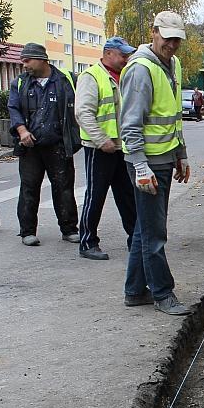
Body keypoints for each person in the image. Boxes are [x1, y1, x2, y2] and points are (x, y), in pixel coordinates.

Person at [119, 11, 191, 316]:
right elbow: (130, 125)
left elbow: (173, 116)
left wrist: (181, 153)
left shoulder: (171, 64)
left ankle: (135, 291)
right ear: (154, 33)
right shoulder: (140, 70)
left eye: (177, 39)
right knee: (154, 233)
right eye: (167, 37)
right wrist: (141, 167)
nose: (172, 44)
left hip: (164, 158)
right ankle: (163, 293)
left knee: (144, 228)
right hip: (146, 163)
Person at [8, 42, 82, 246]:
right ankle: (27, 232)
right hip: (31, 147)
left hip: (58, 145)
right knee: (29, 188)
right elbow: (13, 108)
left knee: (64, 188)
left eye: (27, 60)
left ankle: (69, 229)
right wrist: (22, 131)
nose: (24, 65)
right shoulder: (20, 83)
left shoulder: (66, 80)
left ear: (42, 59)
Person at [74, 36, 138, 260]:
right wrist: (102, 140)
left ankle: (136, 240)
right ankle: (87, 242)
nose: (126, 59)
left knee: (127, 196)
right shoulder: (91, 76)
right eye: (122, 55)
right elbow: (83, 113)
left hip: (122, 147)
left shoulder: (124, 76)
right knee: (96, 195)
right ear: (108, 53)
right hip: (99, 149)